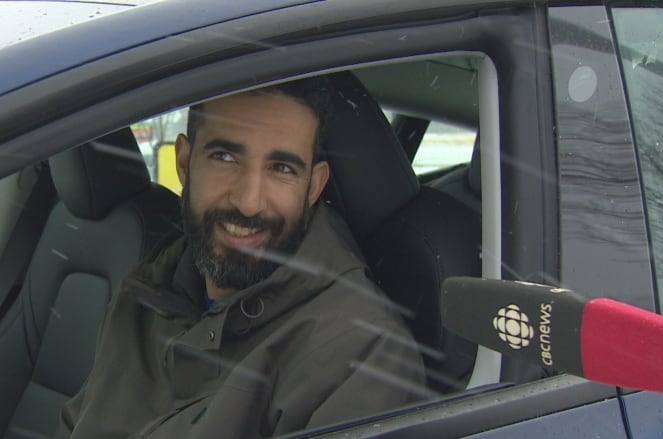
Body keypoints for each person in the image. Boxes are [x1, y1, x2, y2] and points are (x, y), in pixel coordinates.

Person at [59, 76, 427, 438]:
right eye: (225, 157)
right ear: (184, 164)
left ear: (313, 186)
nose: (248, 202)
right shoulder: (145, 291)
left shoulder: (362, 358)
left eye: (281, 168)